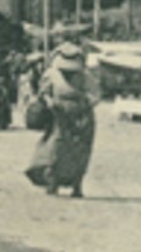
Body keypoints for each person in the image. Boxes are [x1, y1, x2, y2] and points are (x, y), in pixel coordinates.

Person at [24, 44, 97, 199]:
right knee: (56, 147)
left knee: (81, 151)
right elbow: (43, 93)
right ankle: (53, 182)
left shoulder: (85, 76)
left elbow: (96, 96)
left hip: (82, 116)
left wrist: (85, 105)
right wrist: (50, 102)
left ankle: (77, 185)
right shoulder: (51, 75)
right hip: (59, 114)